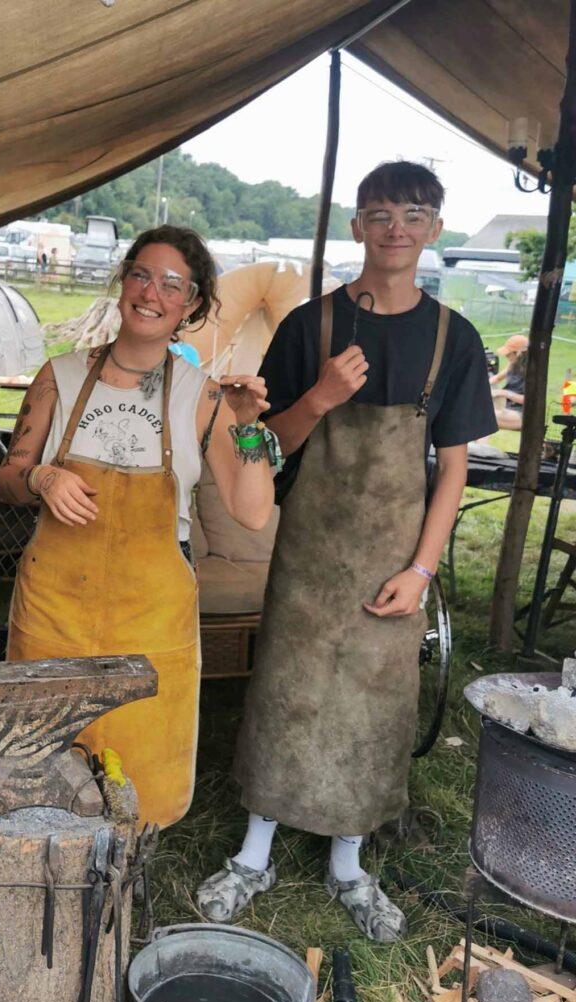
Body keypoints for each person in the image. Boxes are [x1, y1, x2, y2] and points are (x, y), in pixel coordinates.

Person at [197, 161, 496, 941]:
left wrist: (422, 571)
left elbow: (454, 466)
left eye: (414, 214)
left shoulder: (451, 340)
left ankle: (349, 868)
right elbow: (262, 445)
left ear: (434, 228)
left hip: (395, 564)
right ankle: (252, 857)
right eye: (380, 213)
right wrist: (319, 398)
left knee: (373, 711)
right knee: (284, 695)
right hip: (307, 560)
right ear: (358, 226)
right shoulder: (311, 327)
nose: (396, 228)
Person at [0, 225, 275, 829]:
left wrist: (248, 425)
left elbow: (252, 510)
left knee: (140, 787)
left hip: (151, 617)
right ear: (124, 281)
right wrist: (42, 478)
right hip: (53, 608)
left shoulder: (203, 398)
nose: (152, 292)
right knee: (38, 772)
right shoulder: (60, 376)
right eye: (142, 274)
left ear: (193, 303)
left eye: (173, 284)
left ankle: (118, 891)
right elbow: (8, 476)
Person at [488, 333, 528, 430]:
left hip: (523, 414)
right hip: (508, 408)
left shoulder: (532, 373)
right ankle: (479, 445)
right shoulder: (513, 364)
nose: (506, 356)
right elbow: (497, 378)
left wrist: (504, 393)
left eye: (508, 354)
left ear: (519, 353)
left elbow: (529, 401)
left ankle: (481, 446)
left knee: (484, 417)